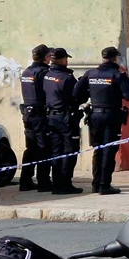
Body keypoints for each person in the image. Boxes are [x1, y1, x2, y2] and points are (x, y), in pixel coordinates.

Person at [77, 46, 129, 195]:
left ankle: (96, 184)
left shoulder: (90, 74)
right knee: (109, 150)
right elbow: (128, 95)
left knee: (98, 150)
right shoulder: (118, 75)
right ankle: (104, 185)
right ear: (115, 58)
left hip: (94, 115)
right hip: (111, 116)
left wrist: (91, 95)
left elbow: (76, 92)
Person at [41, 48, 84, 195]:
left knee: (56, 151)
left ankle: (57, 183)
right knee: (69, 151)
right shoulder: (67, 78)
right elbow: (77, 97)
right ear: (63, 60)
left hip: (51, 117)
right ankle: (65, 184)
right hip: (66, 119)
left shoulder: (47, 75)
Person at [17, 44, 50, 191]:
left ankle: (25, 180)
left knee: (30, 148)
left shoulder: (26, 72)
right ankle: (43, 181)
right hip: (40, 114)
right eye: (49, 55)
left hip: (27, 114)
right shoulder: (43, 72)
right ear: (45, 57)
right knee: (43, 147)